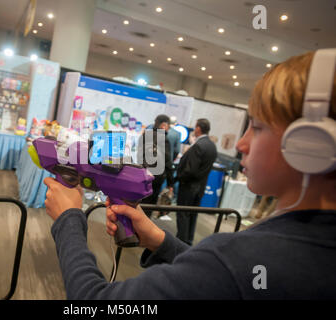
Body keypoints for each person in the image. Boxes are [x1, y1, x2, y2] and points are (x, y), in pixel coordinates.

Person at [43, 50, 336, 299]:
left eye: (257, 127)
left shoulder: (240, 259)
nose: (242, 144)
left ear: (311, 143)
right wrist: (161, 240)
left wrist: (69, 218)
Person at [175, 118, 217, 245]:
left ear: (198, 128)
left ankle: (181, 244)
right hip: (200, 187)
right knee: (192, 215)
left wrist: (179, 177)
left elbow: (191, 170)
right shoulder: (212, 145)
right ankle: (188, 241)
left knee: (183, 215)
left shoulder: (199, 145)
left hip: (189, 186)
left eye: (195, 127)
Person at [138, 114, 174, 214]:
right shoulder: (164, 140)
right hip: (156, 178)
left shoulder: (145, 135)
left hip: (142, 174)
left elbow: (140, 155)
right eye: (168, 126)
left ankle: (134, 226)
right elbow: (168, 163)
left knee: (139, 202)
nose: (169, 128)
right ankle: (143, 228)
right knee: (149, 206)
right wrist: (171, 183)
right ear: (163, 125)